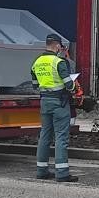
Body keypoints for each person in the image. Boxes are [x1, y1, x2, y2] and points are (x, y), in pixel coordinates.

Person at [31, 33, 78, 182]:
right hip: (59, 103)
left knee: (44, 135)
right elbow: (69, 85)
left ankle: (42, 170)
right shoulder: (59, 62)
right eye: (61, 47)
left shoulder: (36, 62)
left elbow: (35, 86)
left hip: (45, 102)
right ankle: (62, 173)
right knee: (61, 137)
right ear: (57, 46)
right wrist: (74, 87)